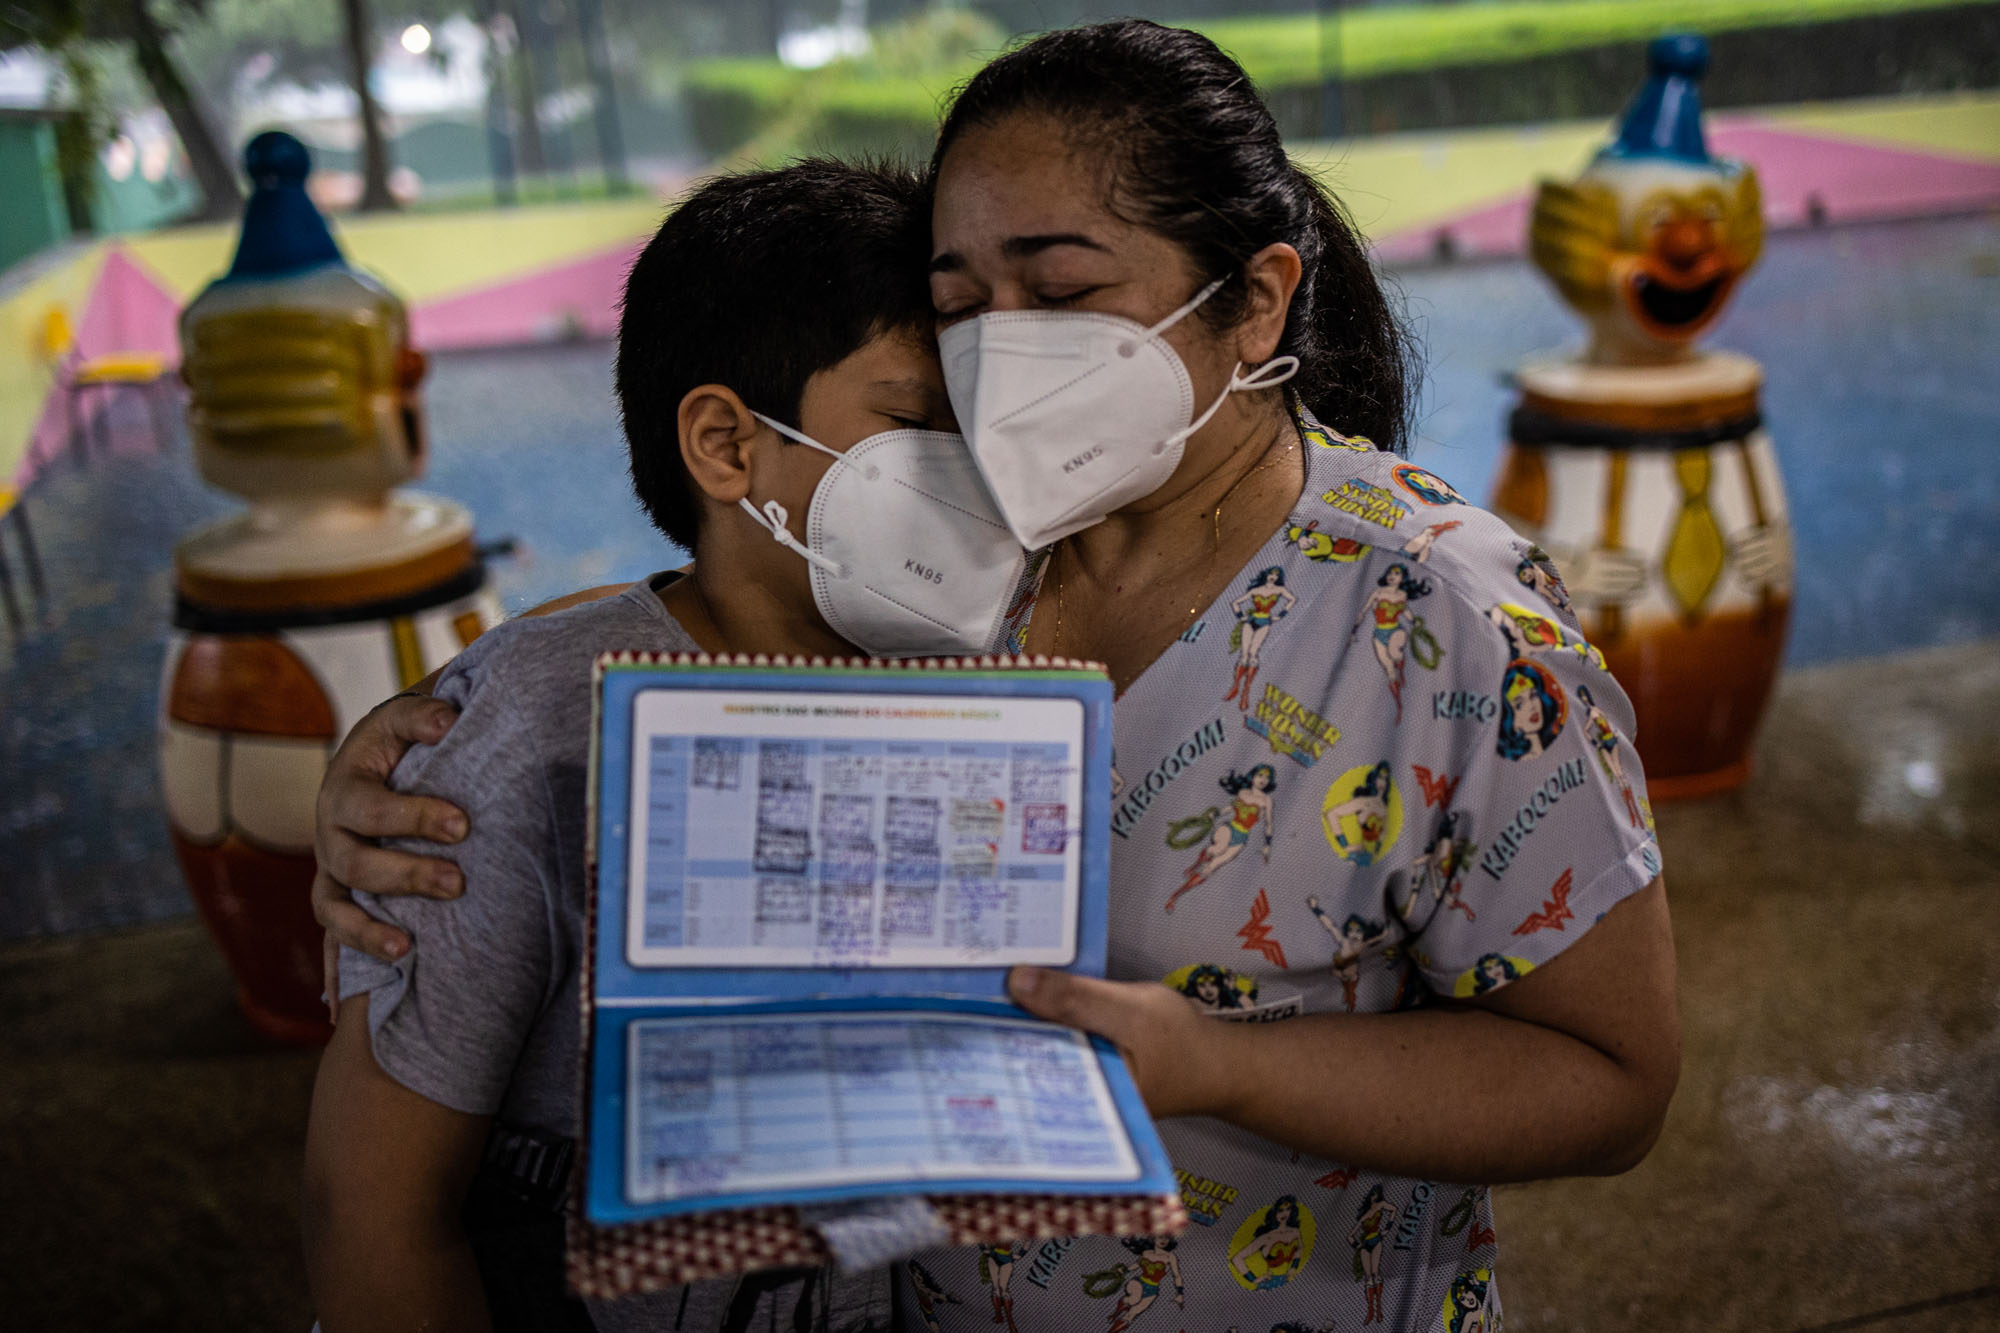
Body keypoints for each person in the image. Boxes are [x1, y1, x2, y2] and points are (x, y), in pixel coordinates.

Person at [314, 21, 1680, 1332]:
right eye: (962, 305)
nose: (1002, 353)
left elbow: (1612, 1082)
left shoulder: (1439, 617)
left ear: (1256, 299)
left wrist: (1221, 1069)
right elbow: (714, 611)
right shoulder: (965, 557)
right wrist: (436, 732)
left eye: (1065, 288)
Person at [301, 158, 996, 1333]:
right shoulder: (533, 731)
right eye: (911, 424)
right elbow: (367, 1206)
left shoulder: (970, 690)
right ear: (726, 446)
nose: (971, 473)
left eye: (977, 427)